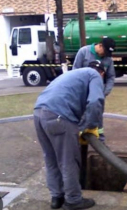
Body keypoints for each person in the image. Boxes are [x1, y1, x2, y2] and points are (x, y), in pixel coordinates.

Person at [33, 60, 106, 210]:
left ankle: (56, 197)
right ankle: (73, 200)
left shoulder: (74, 74)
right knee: (68, 161)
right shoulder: (95, 75)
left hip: (38, 114)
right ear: (102, 73)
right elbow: (95, 102)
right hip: (59, 116)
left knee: (51, 159)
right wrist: (89, 126)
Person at [72, 38, 116, 142]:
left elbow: (111, 77)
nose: (105, 55)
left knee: (97, 114)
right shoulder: (84, 52)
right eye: (105, 52)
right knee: (81, 113)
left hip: (98, 92)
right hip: (83, 92)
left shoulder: (108, 59)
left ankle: (100, 139)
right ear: (100, 46)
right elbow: (75, 71)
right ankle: (78, 136)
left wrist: (104, 92)